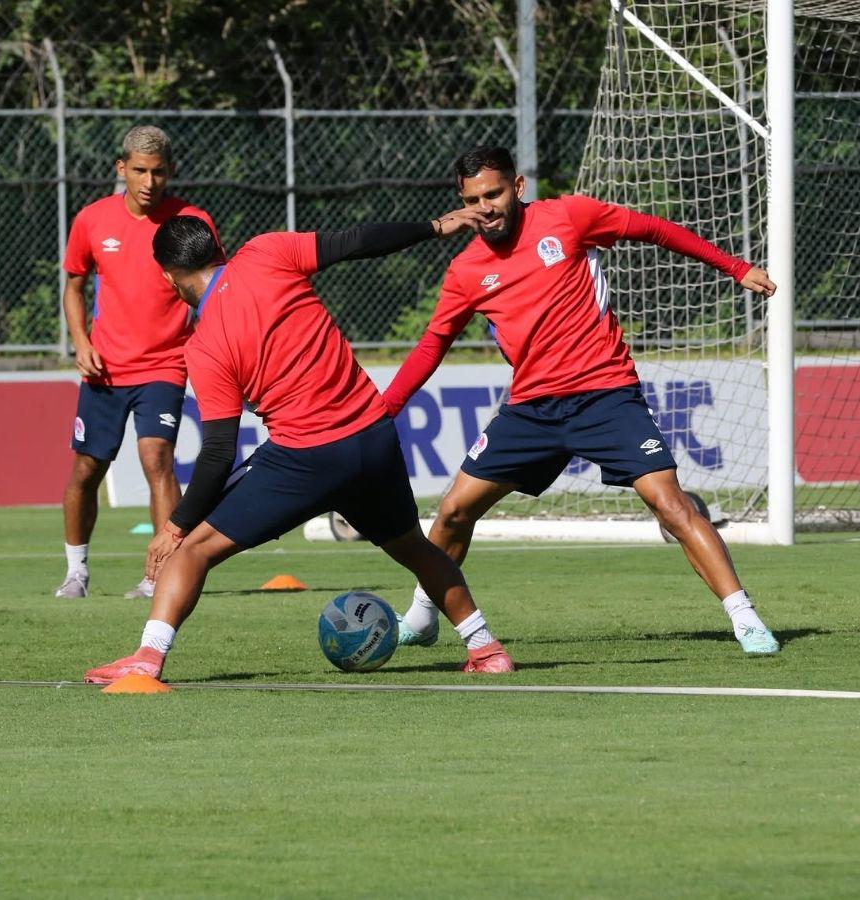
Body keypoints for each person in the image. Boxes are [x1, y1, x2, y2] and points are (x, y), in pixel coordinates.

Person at [84, 208, 515, 684]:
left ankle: (148, 658)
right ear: (219, 248)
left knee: (192, 550)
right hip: (373, 438)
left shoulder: (204, 345)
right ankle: (486, 649)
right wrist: (433, 227)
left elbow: (218, 453)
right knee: (414, 546)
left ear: (169, 278)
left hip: (304, 458)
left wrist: (175, 526)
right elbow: (357, 240)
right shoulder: (268, 251)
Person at [384, 146, 781, 656]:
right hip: (531, 411)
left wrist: (733, 267)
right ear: (462, 203)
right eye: (475, 199)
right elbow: (432, 345)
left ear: (518, 187)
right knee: (454, 512)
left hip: (606, 396)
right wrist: (386, 408)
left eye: (495, 193)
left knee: (672, 506)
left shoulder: (570, 217)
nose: (487, 207)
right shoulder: (466, 271)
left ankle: (746, 621)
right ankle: (421, 617)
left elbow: (655, 229)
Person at [55, 125, 224, 601]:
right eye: (140, 171)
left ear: (171, 172)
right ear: (121, 168)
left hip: (166, 364)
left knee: (157, 460)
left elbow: (217, 284)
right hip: (105, 368)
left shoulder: (191, 220)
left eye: (159, 172)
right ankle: (76, 572)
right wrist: (79, 341)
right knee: (88, 470)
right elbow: (73, 286)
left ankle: (158, 576)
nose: (150, 182)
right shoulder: (92, 220)